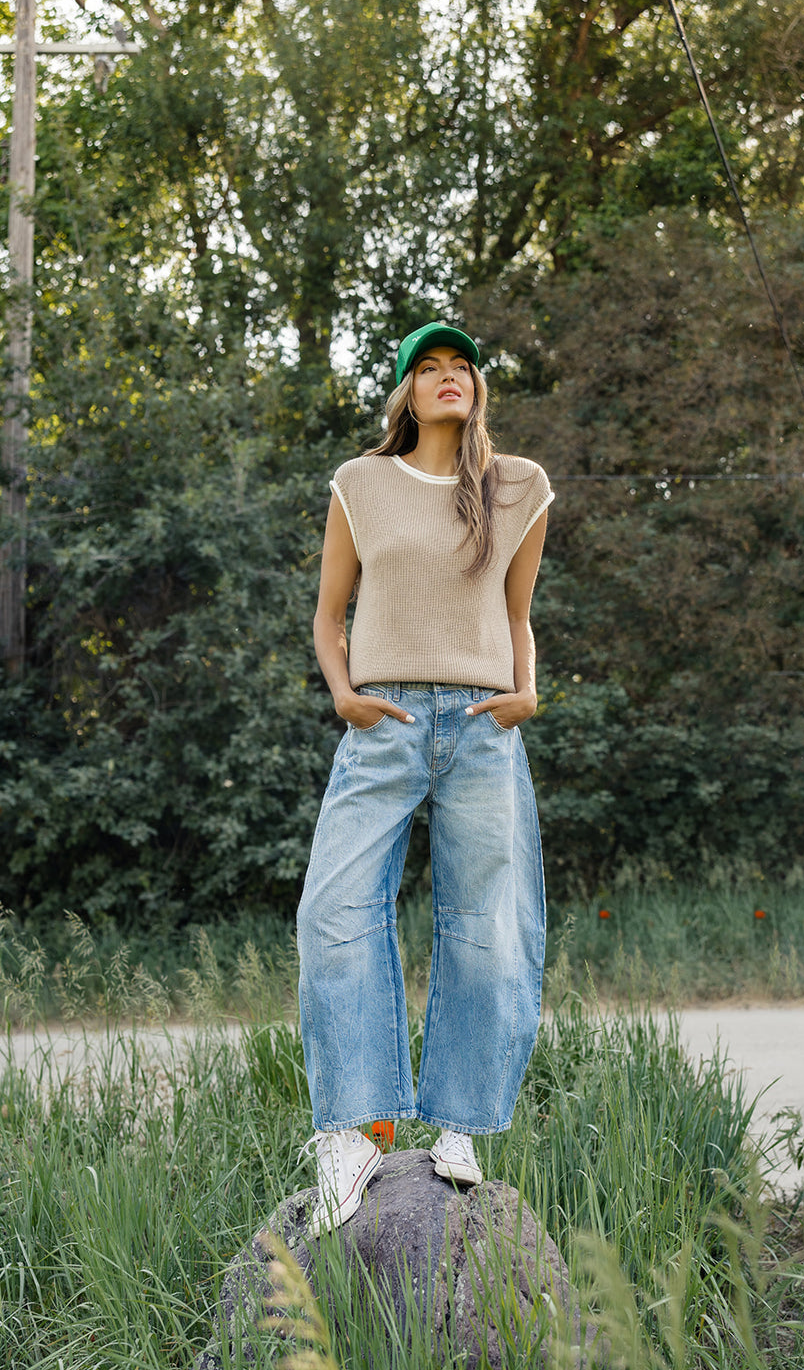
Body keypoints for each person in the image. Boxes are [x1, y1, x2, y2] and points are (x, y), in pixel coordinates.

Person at [297, 321, 554, 1235]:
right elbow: (331, 616)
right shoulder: (360, 484)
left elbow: (517, 612)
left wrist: (526, 693)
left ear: (477, 389)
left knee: (488, 923)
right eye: (429, 369)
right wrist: (345, 696)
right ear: (404, 393)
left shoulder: (518, 486)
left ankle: (458, 1125)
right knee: (332, 910)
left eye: (462, 369)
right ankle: (353, 1132)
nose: (449, 379)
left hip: (484, 729)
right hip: (385, 724)